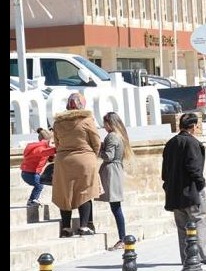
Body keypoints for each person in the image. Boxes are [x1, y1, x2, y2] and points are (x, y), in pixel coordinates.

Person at [162, 113, 206, 265]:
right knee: (199, 221)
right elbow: (194, 168)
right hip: (191, 191)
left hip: (175, 193)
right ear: (193, 126)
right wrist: (201, 184)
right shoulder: (192, 143)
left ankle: (187, 257)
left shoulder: (171, 143)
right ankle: (201, 255)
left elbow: (165, 172)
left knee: (182, 227)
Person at [52, 92, 101, 238]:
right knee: (84, 193)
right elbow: (96, 142)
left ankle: (66, 228)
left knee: (64, 193)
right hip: (84, 159)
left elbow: (57, 143)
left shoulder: (58, 123)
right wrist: (92, 156)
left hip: (63, 161)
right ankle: (84, 227)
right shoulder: (86, 120)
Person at [97, 112, 134, 251]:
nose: (104, 126)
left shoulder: (112, 136)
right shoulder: (120, 135)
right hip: (116, 170)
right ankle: (122, 238)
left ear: (109, 123)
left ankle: (122, 238)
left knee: (115, 206)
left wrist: (99, 150)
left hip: (111, 172)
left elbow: (108, 156)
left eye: (105, 123)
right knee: (115, 206)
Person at [20, 128, 56, 207]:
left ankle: (34, 199)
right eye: (53, 142)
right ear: (47, 141)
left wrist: (51, 156)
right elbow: (42, 153)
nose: (54, 144)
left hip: (33, 173)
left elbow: (46, 156)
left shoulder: (45, 146)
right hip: (28, 173)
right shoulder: (39, 148)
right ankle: (32, 200)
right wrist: (55, 149)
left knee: (40, 184)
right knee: (39, 185)